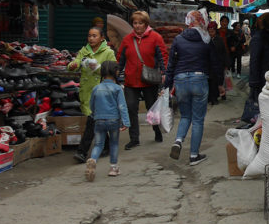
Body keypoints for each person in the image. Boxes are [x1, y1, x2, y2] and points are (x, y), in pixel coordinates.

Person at [163, 10, 221, 165]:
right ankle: (194, 155)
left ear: (188, 22)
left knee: (185, 116)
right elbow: (215, 63)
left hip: (180, 80)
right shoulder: (207, 40)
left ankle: (178, 140)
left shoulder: (178, 39)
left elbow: (171, 64)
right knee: (197, 120)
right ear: (201, 22)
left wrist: (166, 85)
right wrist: (220, 83)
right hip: (199, 79)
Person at [116, 10, 168, 149]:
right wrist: (115, 74)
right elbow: (120, 59)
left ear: (146, 24)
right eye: (135, 23)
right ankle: (134, 139)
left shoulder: (155, 37)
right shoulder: (127, 39)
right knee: (131, 108)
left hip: (149, 80)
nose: (137, 26)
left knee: (152, 109)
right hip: (131, 81)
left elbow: (162, 56)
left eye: (140, 23)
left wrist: (164, 73)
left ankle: (157, 131)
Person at [70, 26, 117, 162]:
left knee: (92, 120)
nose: (91, 38)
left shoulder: (108, 52)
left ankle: (82, 152)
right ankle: (107, 146)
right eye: (90, 36)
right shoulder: (84, 50)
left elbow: (113, 70)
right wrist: (72, 65)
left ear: (102, 38)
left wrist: (97, 68)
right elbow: (77, 61)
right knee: (96, 120)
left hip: (102, 92)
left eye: (94, 36)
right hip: (87, 90)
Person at [84, 61, 129, 181]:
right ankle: (113, 168)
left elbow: (91, 105)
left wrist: (94, 115)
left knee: (98, 144)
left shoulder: (96, 88)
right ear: (116, 72)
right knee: (113, 143)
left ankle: (93, 160)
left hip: (99, 120)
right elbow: (122, 106)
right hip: (114, 120)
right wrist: (126, 122)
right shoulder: (117, 88)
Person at [242, 12, 269, 126]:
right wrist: (253, 82)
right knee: (260, 108)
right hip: (261, 79)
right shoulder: (259, 38)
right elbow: (254, 60)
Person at [207, 21, 228, 105]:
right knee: (210, 82)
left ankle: (215, 98)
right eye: (209, 31)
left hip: (218, 64)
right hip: (209, 65)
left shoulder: (219, 40)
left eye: (212, 31)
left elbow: (224, 53)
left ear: (215, 31)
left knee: (217, 81)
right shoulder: (206, 40)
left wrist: (226, 64)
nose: (210, 33)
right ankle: (211, 98)